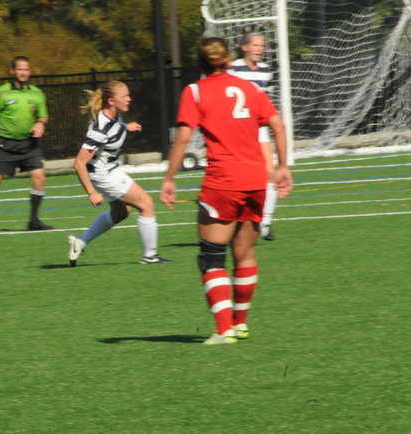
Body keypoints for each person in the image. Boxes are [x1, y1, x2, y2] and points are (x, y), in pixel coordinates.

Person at [160, 37, 293, 345]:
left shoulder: (195, 91)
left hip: (223, 183)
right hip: (256, 182)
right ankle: (240, 323)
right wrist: (283, 166)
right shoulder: (250, 89)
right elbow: (278, 126)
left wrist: (169, 177)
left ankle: (223, 330)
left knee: (211, 258)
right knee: (244, 254)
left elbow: (183, 139)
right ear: (229, 60)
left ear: (199, 63)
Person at [68, 80, 170, 266]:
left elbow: (114, 128)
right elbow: (79, 163)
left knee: (122, 212)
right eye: (125, 96)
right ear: (111, 101)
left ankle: (80, 242)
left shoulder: (115, 116)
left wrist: (125, 126)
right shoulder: (100, 128)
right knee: (146, 203)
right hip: (104, 174)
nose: (129, 99)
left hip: (110, 169)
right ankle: (150, 256)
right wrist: (91, 193)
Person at [0, 56, 54, 233]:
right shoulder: (1, 92)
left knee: (39, 177)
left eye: (26, 69)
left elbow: (43, 116)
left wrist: (40, 124)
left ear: (30, 72)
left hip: (29, 145)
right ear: (12, 71)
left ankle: (34, 221)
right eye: (20, 69)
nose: (23, 72)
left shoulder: (37, 93)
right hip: (5, 145)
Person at [229, 31, 279, 241]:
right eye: (256, 45)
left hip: (258, 129)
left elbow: (266, 102)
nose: (260, 49)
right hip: (237, 130)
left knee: (270, 173)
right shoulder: (233, 68)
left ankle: (264, 223)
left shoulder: (266, 71)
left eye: (262, 46)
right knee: (236, 174)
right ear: (245, 47)